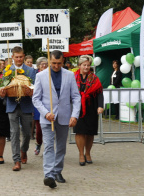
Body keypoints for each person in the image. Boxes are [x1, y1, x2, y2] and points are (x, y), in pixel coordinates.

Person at [32, 50, 81, 189]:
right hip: (48, 118)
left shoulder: (70, 75)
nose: (56, 66)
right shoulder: (41, 76)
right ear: (49, 61)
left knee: (61, 147)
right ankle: (49, 175)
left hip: (65, 116)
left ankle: (58, 171)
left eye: (59, 63)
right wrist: (46, 113)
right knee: (48, 146)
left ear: (63, 62)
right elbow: (36, 98)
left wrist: (74, 115)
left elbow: (76, 97)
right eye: (53, 63)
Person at [0, 46, 35, 171]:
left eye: (21, 57)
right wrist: (2, 94)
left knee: (27, 133)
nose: (19, 59)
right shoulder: (7, 71)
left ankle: (24, 150)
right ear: (12, 57)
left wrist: (31, 92)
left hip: (26, 105)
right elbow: (3, 88)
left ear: (23, 56)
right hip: (12, 105)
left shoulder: (31, 71)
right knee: (14, 133)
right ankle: (16, 160)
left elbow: (35, 87)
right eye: (16, 57)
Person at [73, 55, 104, 166]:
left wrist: (100, 106)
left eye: (88, 65)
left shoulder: (94, 78)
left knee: (90, 132)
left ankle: (88, 153)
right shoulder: (73, 77)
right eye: (84, 65)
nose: (86, 67)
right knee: (79, 131)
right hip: (78, 107)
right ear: (79, 65)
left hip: (91, 106)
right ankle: (81, 154)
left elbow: (100, 92)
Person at [33, 57, 48, 155]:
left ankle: (47, 148)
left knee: (48, 128)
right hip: (38, 105)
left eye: (46, 63)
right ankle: (38, 143)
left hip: (49, 104)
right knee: (39, 128)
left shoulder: (50, 74)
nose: (44, 65)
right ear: (38, 66)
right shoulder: (35, 75)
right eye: (42, 64)